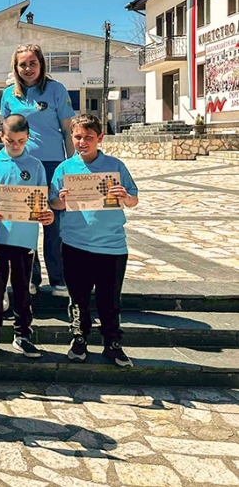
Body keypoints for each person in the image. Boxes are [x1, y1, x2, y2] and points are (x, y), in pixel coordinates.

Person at [49, 114, 139, 368]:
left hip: (111, 246)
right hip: (76, 244)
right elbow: (54, 203)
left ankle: (112, 343)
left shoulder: (115, 166)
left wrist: (125, 197)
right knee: (78, 299)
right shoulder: (65, 168)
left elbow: (133, 199)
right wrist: (61, 200)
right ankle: (79, 339)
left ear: (99, 138)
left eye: (88, 137)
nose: (82, 142)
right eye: (77, 137)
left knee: (109, 300)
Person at [0, 114, 54, 360]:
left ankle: (23, 335)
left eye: (20, 140)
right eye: (10, 140)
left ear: (28, 138)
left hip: (24, 239)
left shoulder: (36, 165)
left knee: (22, 289)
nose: (15, 145)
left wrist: (47, 214)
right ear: (2, 136)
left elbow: (43, 201)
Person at [0, 44, 74, 296]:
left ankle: (58, 278)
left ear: (41, 64)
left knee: (53, 224)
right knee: (25, 222)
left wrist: (71, 166)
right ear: (16, 68)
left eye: (33, 63)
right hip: (22, 168)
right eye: (23, 64)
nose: (28, 68)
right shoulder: (9, 95)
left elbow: (67, 130)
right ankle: (30, 277)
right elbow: (6, 132)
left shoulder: (56, 90)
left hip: (53, 165)